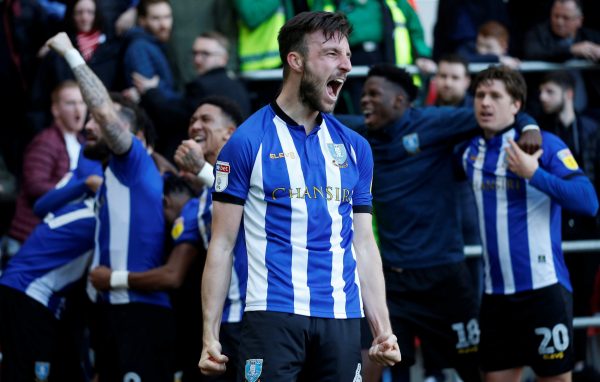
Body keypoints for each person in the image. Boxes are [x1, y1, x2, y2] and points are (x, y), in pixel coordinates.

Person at [199, 11, 401, 381]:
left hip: (341, 317)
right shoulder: (247, 142)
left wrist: (382, 329)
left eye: (348, 55)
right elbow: (222, 244)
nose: (346, 65)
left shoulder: (355, 148)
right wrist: (209, 335)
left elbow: (364, 245)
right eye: (331, 54)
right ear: (296, 61)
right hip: (272, 317)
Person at [357, 63, 541, 382]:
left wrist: (529, 126)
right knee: (372, 365)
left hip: (444, 278)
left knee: (473, 369)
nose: (364, 100)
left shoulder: (434, 122)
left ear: (400, 100)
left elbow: (496, 115)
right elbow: (316, 120)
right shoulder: (357, 133)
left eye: (374, 94)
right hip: (392, 282)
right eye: (363, 94)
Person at [46, 31, 175, 381]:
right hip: (111, 310)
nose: (88, 125)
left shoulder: (132, 160)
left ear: (133, 133)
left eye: (96, 121)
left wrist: (69, 52)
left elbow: (104, 111)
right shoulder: (115, 175)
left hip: (139, 311)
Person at [89, 96, 247, 382]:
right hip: (219, 328)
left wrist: (112, 279)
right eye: (192, 120)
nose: (195, 125)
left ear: (230, 132)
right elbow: (175, 273)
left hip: (259, 318)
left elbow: (254, 205)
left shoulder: (254, 174)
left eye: (206, 120)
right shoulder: (196, 206)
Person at [463, 66, 598, 382]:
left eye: (496, 96)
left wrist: (534, 174)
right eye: (481, 95)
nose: (485, 103)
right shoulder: (469, 151)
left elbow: (589, 201)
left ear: (516, 106)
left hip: (544, 290)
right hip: (495, 295)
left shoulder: (543, 145)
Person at [537, 70, 600, 381]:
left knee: (585, 292)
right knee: (558, 294)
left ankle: (576, 364)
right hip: (555, 223)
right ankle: (562, 364)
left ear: (569, 93)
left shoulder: (591, 128)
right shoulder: (540, 131)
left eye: (549, 91)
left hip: (588, 223)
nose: (542, 98)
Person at [133, 31, 251, 155]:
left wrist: (150, 92)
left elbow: (174, 116)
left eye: (205, 54)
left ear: (223, 58)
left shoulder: (201, 85)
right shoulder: (238, 85)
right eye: (195, 53)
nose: (197, 59)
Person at [5, 81, 87, 256]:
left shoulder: (83, 143)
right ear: (55, 110)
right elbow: (34, 185)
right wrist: (76, 188)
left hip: (57, 236)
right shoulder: (46, 141)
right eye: (71, 103)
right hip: (30, 236)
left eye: (82, 102)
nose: (78, 109)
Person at [524, 0, 600, 110]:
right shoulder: (538, 34)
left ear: (579, 20)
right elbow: (532, 53)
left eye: (566, 18)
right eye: (556, 16)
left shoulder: (590, 37)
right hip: (544, 108)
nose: (559, 22)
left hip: (590, 108)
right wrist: (570, 50)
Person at [122, 0, 177, 101]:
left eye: (167, 17)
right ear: (142, 21)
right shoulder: (139, 48)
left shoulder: (156, 44)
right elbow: (150, 95)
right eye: (156, 18)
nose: (164, 24)